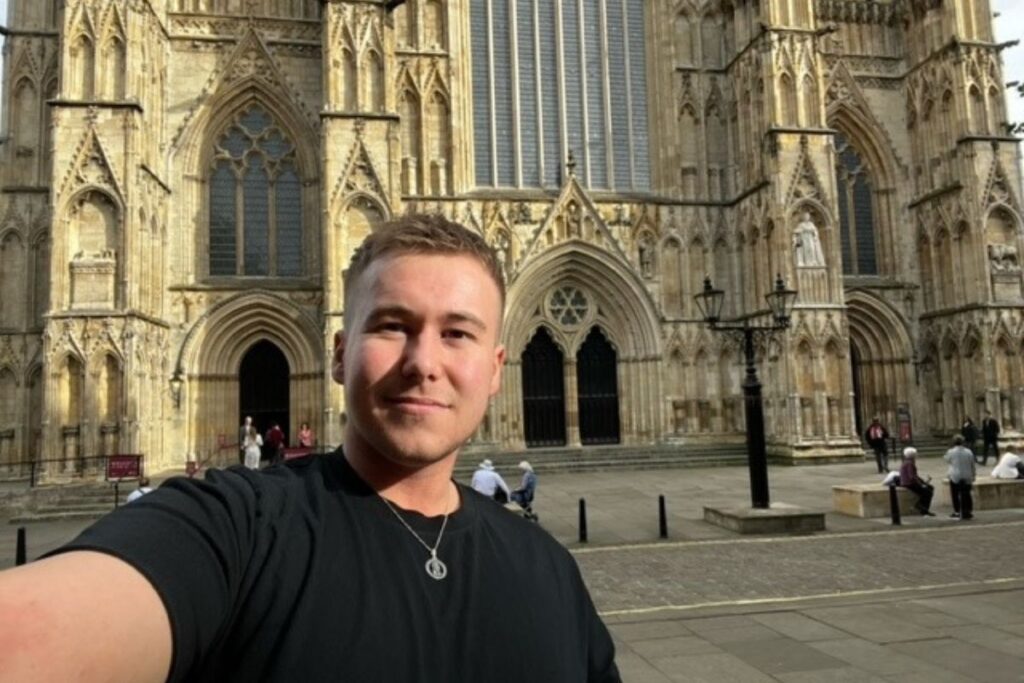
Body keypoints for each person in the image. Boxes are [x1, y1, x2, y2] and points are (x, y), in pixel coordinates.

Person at [0, 214, 620, 682]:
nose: (422, 362)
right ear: (338, 353)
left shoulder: (553, 572)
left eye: (456, 333)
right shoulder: (239, 531)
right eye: (392, 326)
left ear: (495, 369)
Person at [944, 434, 976, 520]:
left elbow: (946, 460)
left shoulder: (951, 451)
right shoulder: (968, 451)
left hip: (955, 475)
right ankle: (968, 510)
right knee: (967, 494)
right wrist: (973, 475)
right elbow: (972, 464)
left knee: (955, 494)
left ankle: (957, 511)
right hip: (967, 474)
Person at [898, 448, 935, 516]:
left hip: (907, 482)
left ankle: (924, 508)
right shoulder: (910, 463)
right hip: (909, 483)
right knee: (928, 492)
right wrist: (921, 484)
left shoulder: (907, 462)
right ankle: (921, 507)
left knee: (930, 488)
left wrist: (923, 482)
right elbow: (912, 476)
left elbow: (915, 476)